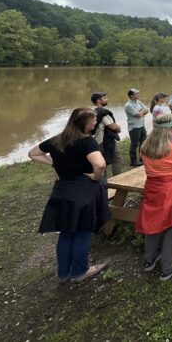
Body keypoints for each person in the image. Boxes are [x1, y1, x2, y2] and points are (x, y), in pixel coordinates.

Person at [28, 108, 109, 284]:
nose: (95, 123)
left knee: (66, 232)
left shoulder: (58, 139)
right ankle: (80, 271)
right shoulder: (87, 142)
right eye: (93, 120)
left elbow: (33, 153)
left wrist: (54, 164)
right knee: (82, 232)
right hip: (83, 191)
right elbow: (100, 164)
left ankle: (64, 273)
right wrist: (96, 177)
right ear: (85, 123)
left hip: (62, 191)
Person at [137, 114, 172, 282]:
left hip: (153, 189)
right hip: (171, 190)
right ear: (170, 130)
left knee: (153, 222)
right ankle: (167, 266)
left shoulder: (145, 147)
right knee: (171, 225)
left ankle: (149, 259)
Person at [91, 92, 122, 176]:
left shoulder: (93, 112)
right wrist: (118, 128)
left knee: (101, 161)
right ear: (98, 100)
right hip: (106, 141)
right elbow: (113, 127)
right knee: (116, 159)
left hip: (97, 140)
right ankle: (117, 180)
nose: (107, 99)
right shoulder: (103, 113)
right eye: (104, 98)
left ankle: (102, 182)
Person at [125, 88, 149, 167]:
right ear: (131, 96)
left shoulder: (138, 102)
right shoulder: (128, 105)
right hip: (134, 127)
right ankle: (133, 161)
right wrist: (141, 112)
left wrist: (141, 112)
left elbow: (147, 110)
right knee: (134, 144)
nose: (138, 95)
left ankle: (142, 158)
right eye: (136, 94)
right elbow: (138, 115)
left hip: (141, 125)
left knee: (143, 143)